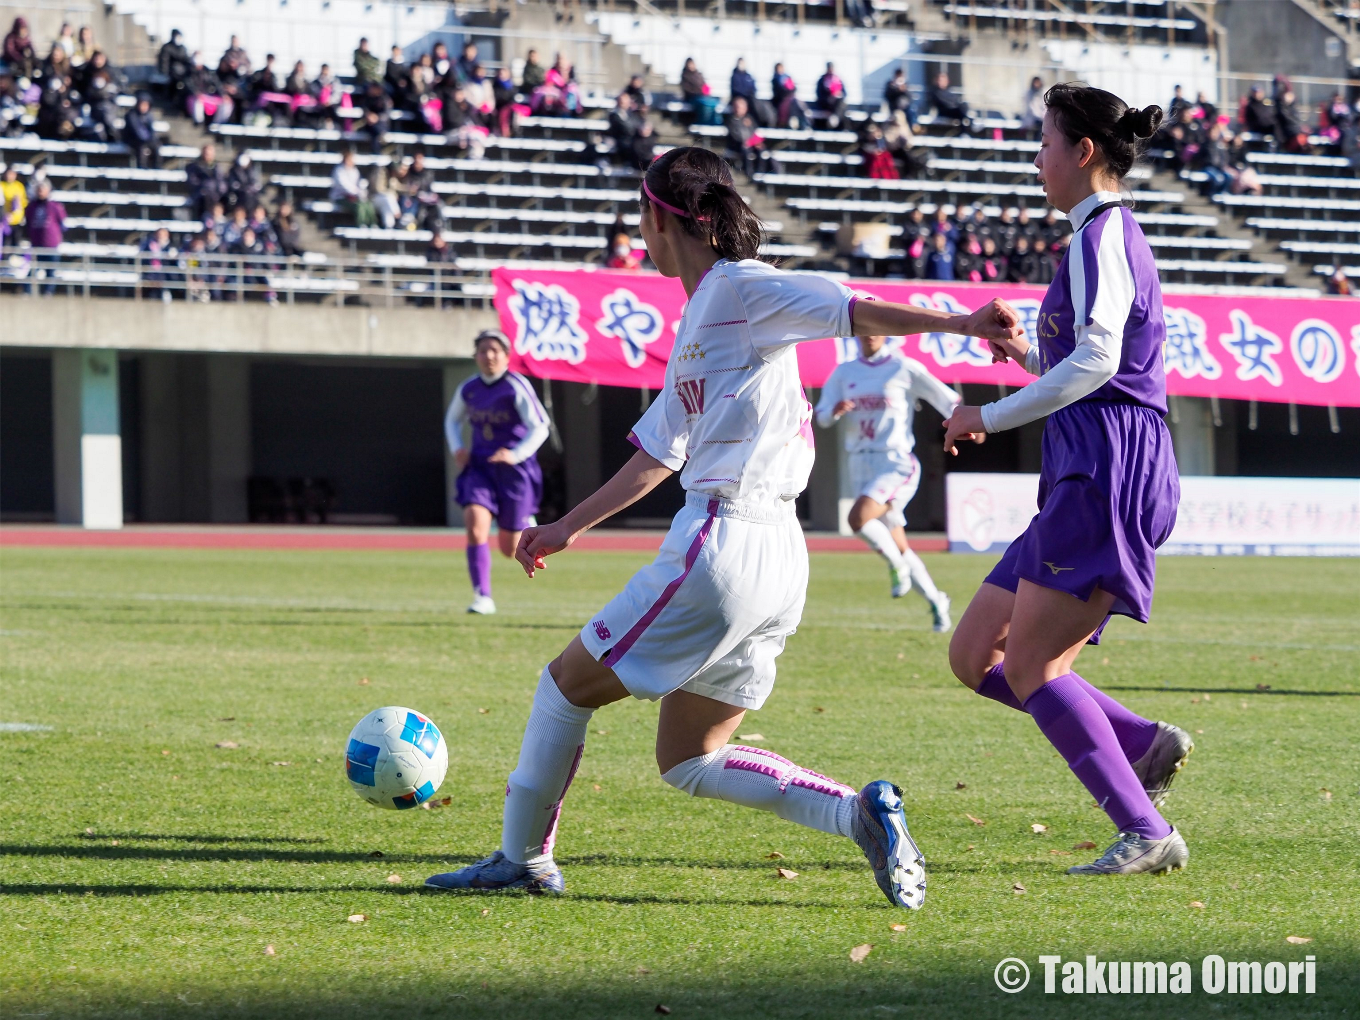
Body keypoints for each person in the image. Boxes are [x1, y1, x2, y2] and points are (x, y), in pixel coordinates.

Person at [423, 144, 1021, 901]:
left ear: (670, 219)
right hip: (778, 559)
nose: (638, 225)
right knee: (688, 758)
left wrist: (964, 320)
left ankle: (522, 860)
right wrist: (565, 527)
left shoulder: (739, 288)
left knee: (562, 688)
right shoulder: (705, 319)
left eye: (642, 210)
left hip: (722, 542)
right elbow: (656, 454)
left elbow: (848, 306)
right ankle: (860, 815)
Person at [944, 83, 1193, 878]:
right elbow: (1084, 360)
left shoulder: (1105, 235)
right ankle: (1139, 743)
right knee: (975, 654)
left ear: (1084, 153)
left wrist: (993, 412)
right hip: (1085, 466)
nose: (1037, 158)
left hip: (1107, 468)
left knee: (1031, 668)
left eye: (1046, 142)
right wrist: (1022, 357)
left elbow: (1099, 363)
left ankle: (1146, 829)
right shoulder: (1092, 237)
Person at [815, 335, 959, 627]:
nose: (869, 333)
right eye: (863, 328)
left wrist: (968, 424)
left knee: (857, 519)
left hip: (895, 461)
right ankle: (937, 600)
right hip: (859, 462)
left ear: (886, 333)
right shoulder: (844, 372)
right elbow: (821, 417)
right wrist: (834, 410)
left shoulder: (903, 367)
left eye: (876, 327)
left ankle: (896, 568)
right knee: (898, 543)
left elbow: (947, 398)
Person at [443, 329, 551, 616]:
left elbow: (540, 426)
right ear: (475, 356)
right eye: (482, 350)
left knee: (509, 548)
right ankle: (482, 596)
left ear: (506, 355)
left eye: (494, 350)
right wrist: (457, 448)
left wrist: (515, 454)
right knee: (475, 525)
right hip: (479, 467)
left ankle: (523, 518)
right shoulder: (468, 388)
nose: (488, 356)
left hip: (513, 471)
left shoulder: (516, 385)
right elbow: (452, 421)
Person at [26, 180, 65, 294]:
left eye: (43, 189)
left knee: (51, 270)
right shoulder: (31, 206)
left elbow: (62, 223)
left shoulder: (54, 206)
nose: (40, 192)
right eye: (39, 189)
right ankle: (27, 291)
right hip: (37, 243)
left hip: (51, 244)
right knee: (33, 269)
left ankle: (48, 293)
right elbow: (28, 222)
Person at [186, 144, 227, 220]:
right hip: (202, 195)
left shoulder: (217, 167)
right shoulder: (195, 166)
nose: (208, 155)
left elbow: (221, 182)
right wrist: (205, 186)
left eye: (210, 153)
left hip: (216, 195)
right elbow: (193, 182)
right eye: (206, 153)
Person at [122, 91, 160, 169]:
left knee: (156, 146)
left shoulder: (149, 116)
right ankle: (142, 167)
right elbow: (136, 131)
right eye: (142, 104)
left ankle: (157, 167)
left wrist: (151, 140)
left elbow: (152, 131)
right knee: (141, 147)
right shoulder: (131, 115)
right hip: (133, 139)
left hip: (145, 140)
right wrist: (146, 140)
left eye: (146, 105)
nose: (144, 107)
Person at [681, 57, 718, 126]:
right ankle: (702, 123)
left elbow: (704, 84)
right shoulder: (685, 75)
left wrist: (706, 90)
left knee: (714, 103)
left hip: (702, 96)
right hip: (692, 97)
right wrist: (698, 92)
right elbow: (687, 89)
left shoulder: (698, 74)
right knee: (704, 106)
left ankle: (713, 122)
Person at [157, 28, 192, 99]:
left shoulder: (183, 48)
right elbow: (164, 61)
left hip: (182, 72)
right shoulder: (167, 47)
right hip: (171, 72)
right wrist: (165, 73)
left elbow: (186, 60)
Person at [814, 62, 847, 129]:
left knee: (841, 102)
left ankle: (835, 117)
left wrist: (837, 95)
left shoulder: (838, 80)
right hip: (825, 103)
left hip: (836, 104)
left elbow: (845, 93)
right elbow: (819, 94)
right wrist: (829, 99)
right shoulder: (822, 80)